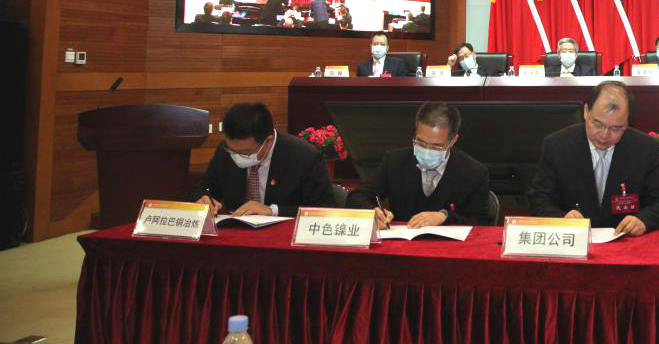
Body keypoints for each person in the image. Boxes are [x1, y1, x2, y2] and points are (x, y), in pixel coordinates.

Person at [529, 81, 659, 235]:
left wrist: (643, 220)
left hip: (625, 240)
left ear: (626, 123)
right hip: (574, 239)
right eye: (597, 124)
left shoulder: (645, 148)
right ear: (586, 112)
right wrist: (562, 218)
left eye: (616, 128)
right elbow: (539, 198)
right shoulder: (557, 146)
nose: (605, 135)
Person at [348, 103, 494, 229]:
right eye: (421, 143)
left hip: (449, 249)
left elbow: (482, 224)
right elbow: (356, 197)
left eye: (436, 146)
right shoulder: (395, 161)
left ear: (453, 141)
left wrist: (445, 217)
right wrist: (373, 212)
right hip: (401, 246)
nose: (427, 151)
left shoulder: (474, 173)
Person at [191, 102, 334, 217]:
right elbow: (202, 187)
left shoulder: (304, 156)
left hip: (283, 236)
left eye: (245, 152)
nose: (237, 156)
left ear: (268, 141)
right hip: (236, 232)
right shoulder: (226, 150)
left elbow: (323, 210)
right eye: (233, 151)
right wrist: (202, 197)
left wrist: (272, 210)